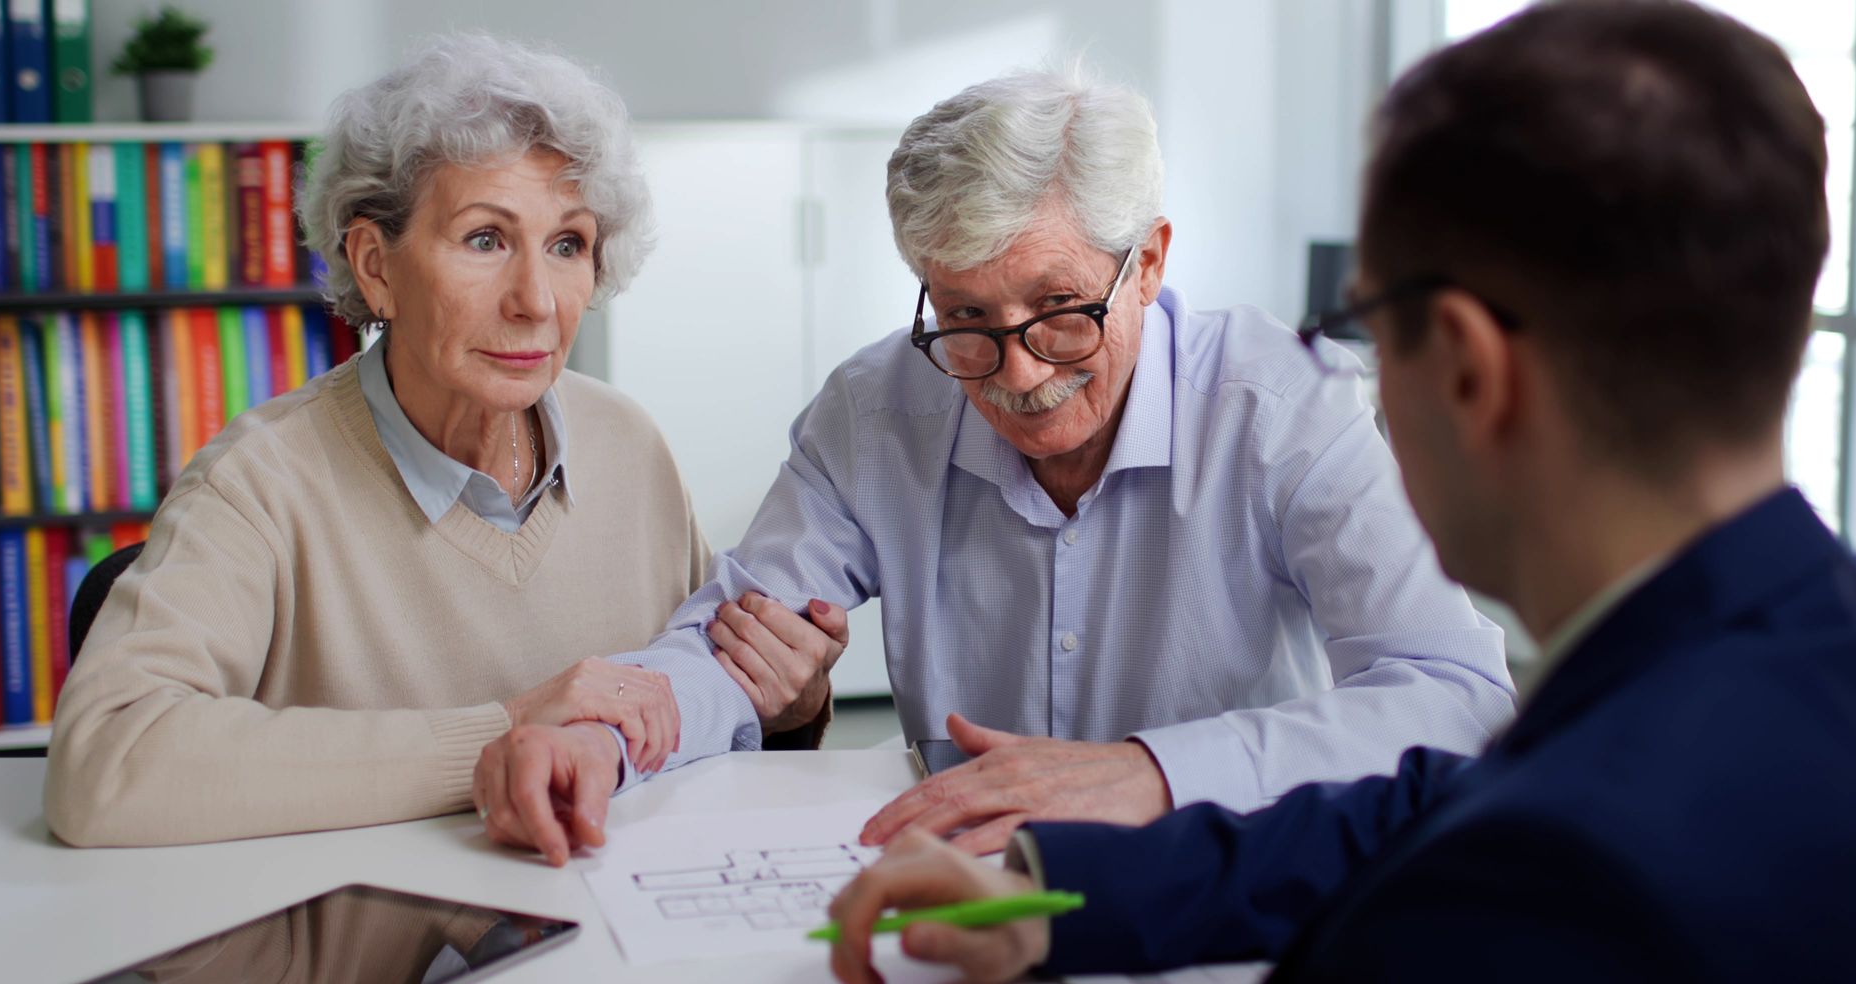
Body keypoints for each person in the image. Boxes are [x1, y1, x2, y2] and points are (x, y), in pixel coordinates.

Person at [823, 0, 1856, 983]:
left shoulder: (1519, 901)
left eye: (1364, 322)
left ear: (1466, 367)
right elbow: (1424, 803)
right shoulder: (1795, 664)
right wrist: (1052, 899)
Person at [583, 64, 1516, 854]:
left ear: (1147, 264)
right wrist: (606, 736)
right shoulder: (874, 411)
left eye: (1062, 308)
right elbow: (731, 644)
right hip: (964, 905)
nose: (1019, 374)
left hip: (1219, 895)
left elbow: (1457, 697)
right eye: (965, 319)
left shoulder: (1284, 406)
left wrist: (1151, 771)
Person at [45, 34, 716, 858]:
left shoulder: (630, 443)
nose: (537, 300)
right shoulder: (258, 483)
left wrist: (791, 701)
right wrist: (496, 735)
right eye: (485, 238)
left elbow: (705, 688)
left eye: (568, 244)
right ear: (376, 266)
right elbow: (104, 765)